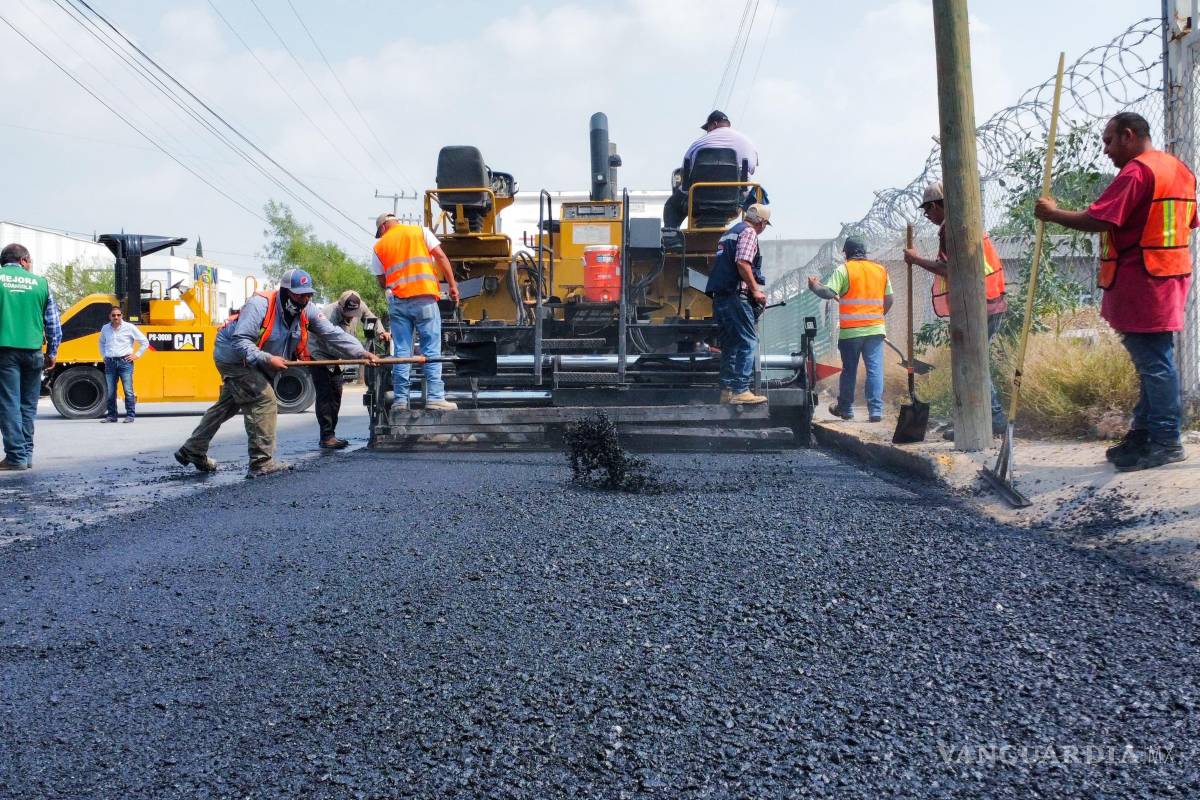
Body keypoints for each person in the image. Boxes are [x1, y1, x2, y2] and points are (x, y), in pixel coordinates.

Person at [1035, 111, 1197, 471]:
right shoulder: (1180, 170)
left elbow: (1101, 218)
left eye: (1108, 141)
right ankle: (1145, 434)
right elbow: (1188, 222)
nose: (1105, 150)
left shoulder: (1138, 171)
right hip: (1169, 276)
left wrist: (1053, 213)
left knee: (1154, 363)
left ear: (1128, 135)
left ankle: (1167, 440)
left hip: (1143, 279)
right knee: (1152, 360)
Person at [174, 269, 380, 478]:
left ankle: (193, 449)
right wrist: (267, 359)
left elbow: (332, 333)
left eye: (308, 294)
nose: (305, 299)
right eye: (300, 294)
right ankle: (261, 462)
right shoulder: (259, 305)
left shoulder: (306, 309)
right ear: (285, 292)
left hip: (254, 358)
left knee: (228, 405)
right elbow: (240, 341)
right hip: (233, 357)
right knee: (263, 399)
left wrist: (360, 351)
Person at [903, 180, 1008, 437]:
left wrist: (915, 260)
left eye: (928, 209)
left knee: (973, 363)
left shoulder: (951, 229)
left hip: (980, 305)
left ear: (939, 205)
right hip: (989, 302)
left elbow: (950, 269)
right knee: (972, 362)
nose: (927, 216)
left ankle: (991, 419)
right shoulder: (965, 226)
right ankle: (974, 417)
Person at [371, 212, 460, 411]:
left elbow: (381, 281)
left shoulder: (379, 246)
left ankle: (401, 401)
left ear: (383, 227)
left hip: (398, 302)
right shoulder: (420, 231)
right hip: (424, 299)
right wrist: (452, 286)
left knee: (402, 351)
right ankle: (435, 398)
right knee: (430, 348)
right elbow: (441, 257)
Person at [808, 236, 894, 422]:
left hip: (851, 332)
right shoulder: (880, 270)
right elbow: (889, 299)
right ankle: (876, 411)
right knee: (875, 370)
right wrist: (877, 316)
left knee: (849, 370)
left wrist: (814, 286)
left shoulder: (844, 269)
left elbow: (828, 293)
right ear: (864, 252)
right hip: (875, 330)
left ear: (847, 253)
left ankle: (846, 408)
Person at [704, 203, 772, 405]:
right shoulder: (749, 232)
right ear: (761, 222)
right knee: (748, 341)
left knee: (730, 345)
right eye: (765, 224)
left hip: (721, 298)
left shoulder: (728, 234)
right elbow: (742, 262)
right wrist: (755, 290)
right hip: (736, 297)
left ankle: (726, 391)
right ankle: (741, 390)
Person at [0, 244, 60, 471]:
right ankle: (26, 455)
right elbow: (53, 323)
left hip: (5, 352)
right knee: (27, 405)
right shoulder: (41, 283)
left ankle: (16, 457)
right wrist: (52, 352)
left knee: (8, 403)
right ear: (23, 260)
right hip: (34, 352)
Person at [308, 290, 390, 449]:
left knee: (336, 394)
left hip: (342, 355)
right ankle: (326, 437)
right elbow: (334, 342)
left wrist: (381, 332)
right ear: (340, 307)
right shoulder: (327, 315)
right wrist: (359, 355)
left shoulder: (359, 305)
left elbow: (370, 317)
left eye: (354, 313)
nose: (351, 316)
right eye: (348, 313)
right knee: (325, 396)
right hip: (321, 354)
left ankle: (331, 434)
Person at [663, 110, 761, 229]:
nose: (708, 132)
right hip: (735, 200)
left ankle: (673, 240)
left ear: (714, 124)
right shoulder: (747, 142)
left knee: (671, 206)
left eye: (708, 128)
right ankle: (749, 233)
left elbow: (686, 173)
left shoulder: (698, 144)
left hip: (699, 201)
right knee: (757, 199)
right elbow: (750, 171)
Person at [97, 305, 149, 423]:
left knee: (128, 390)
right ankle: (112, 416)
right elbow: (101, 342)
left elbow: (144, 342)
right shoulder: (105, 328)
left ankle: (130, 415)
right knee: (111, 391)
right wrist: (104, 355)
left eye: (118, 315)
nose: (116, 317)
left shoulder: (129, 327)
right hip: (110, 362)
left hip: (125, 362)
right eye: (113, 315)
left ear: (122, 316)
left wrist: (137, 355)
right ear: (109, 316)